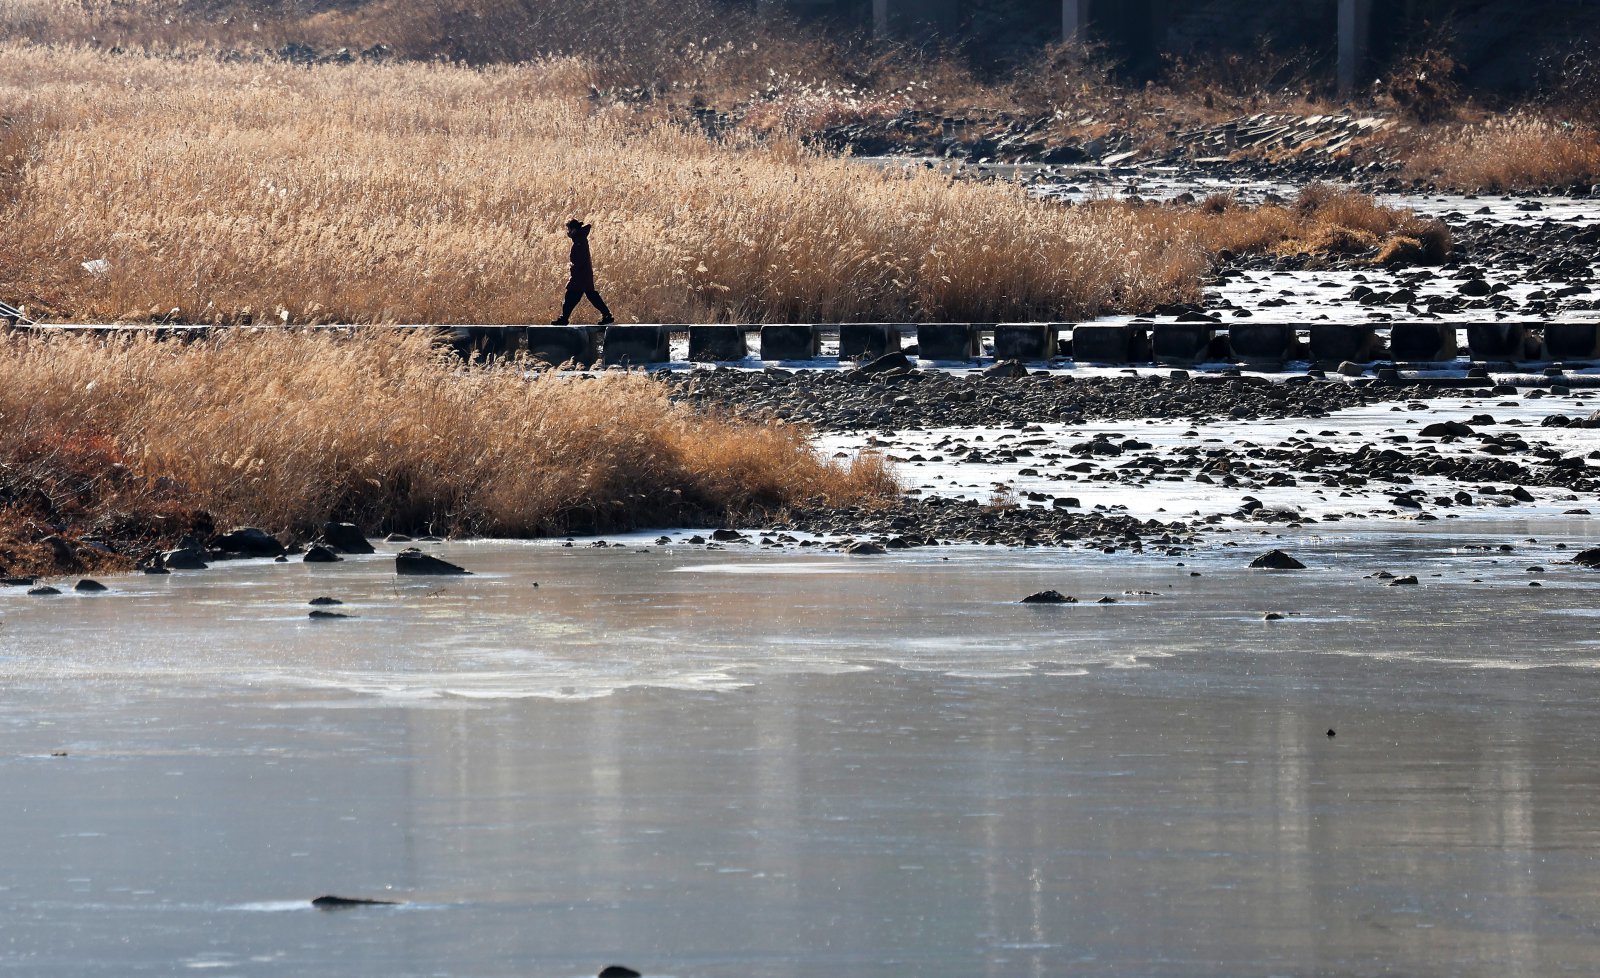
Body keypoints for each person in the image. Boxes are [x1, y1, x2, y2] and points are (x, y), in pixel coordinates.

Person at [551, 219, 615, 326]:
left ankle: (564, 318)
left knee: (571, 295)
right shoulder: (580, 239)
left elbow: (579, 259)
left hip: (580, 274)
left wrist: (574, 268)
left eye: (569, 229)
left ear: (574, 230)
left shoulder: (579, 241)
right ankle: (607, 315)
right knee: (589, 295)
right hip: (583, 274)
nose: (568, 232)